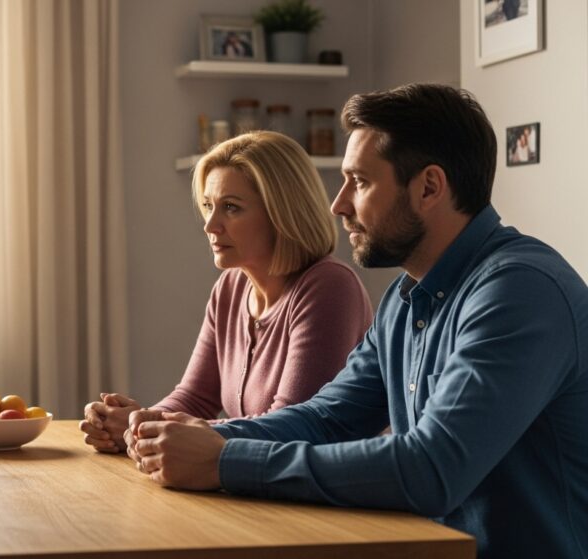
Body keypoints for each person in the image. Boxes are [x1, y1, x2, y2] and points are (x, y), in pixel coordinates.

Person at [124, 84, 588, 559]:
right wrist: (195, 439)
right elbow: (327, 417)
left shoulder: (519, 291)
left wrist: (224, 461)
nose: (338, 204)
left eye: (360, 182)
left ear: (429, 187)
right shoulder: (405, 301)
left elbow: (432, 469)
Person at [80, 131, 373, 453]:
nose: (210, 225)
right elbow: (195, 397)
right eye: (208, 206)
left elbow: (291, 424)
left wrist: (152, 428)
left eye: (231, 207)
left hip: (319, 495)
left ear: (283, 211)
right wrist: (136, 424)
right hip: (257, 482)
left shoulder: (329, 286)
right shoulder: (231, 287)